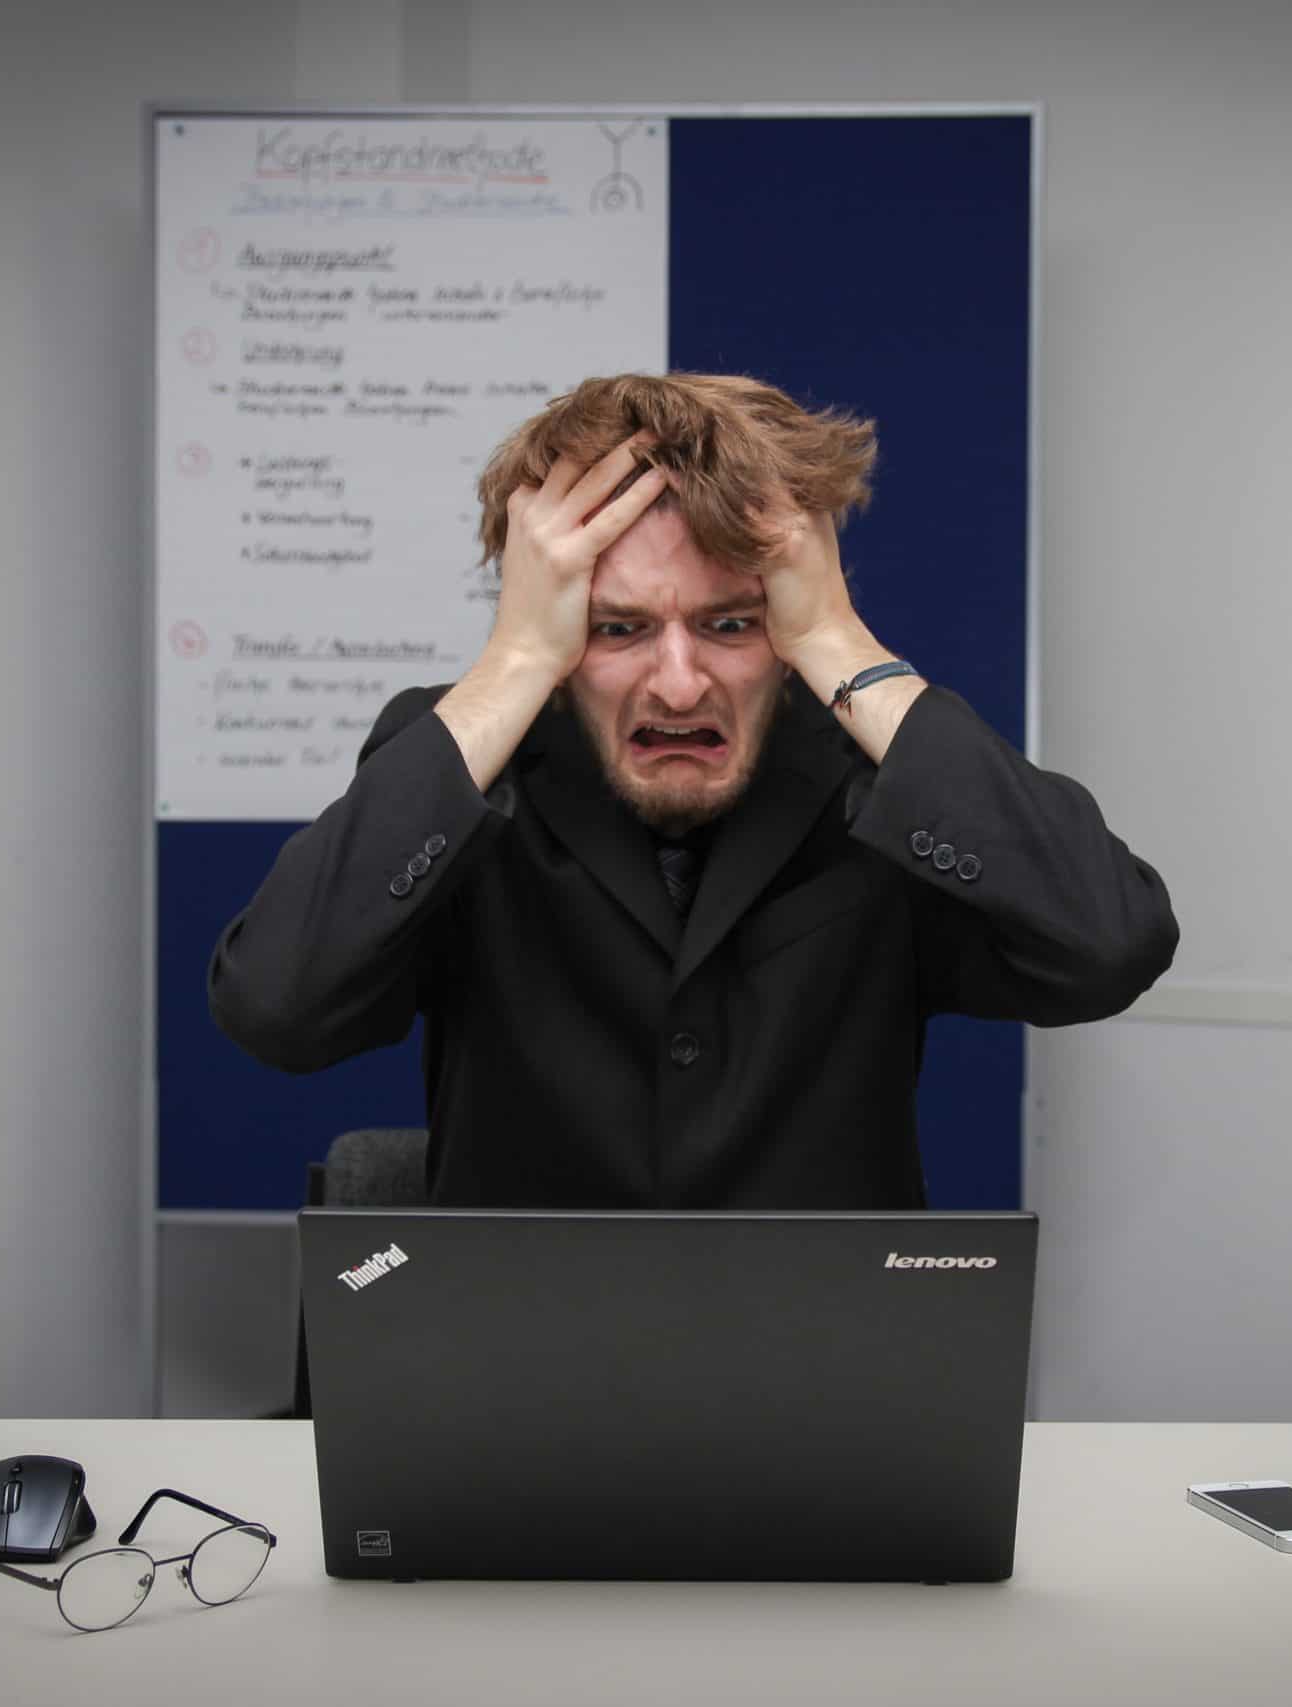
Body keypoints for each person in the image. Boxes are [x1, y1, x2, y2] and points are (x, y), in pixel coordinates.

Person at [209, 373, 1176, 1207]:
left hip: (822, 1380)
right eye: (618, 629)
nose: (676, 683)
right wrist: (514, 663)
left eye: (730, 624)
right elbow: (277, 1006)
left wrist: (837, 644)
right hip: (520, 1379)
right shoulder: (469, 768)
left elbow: (1106, 944)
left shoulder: (870, 774)